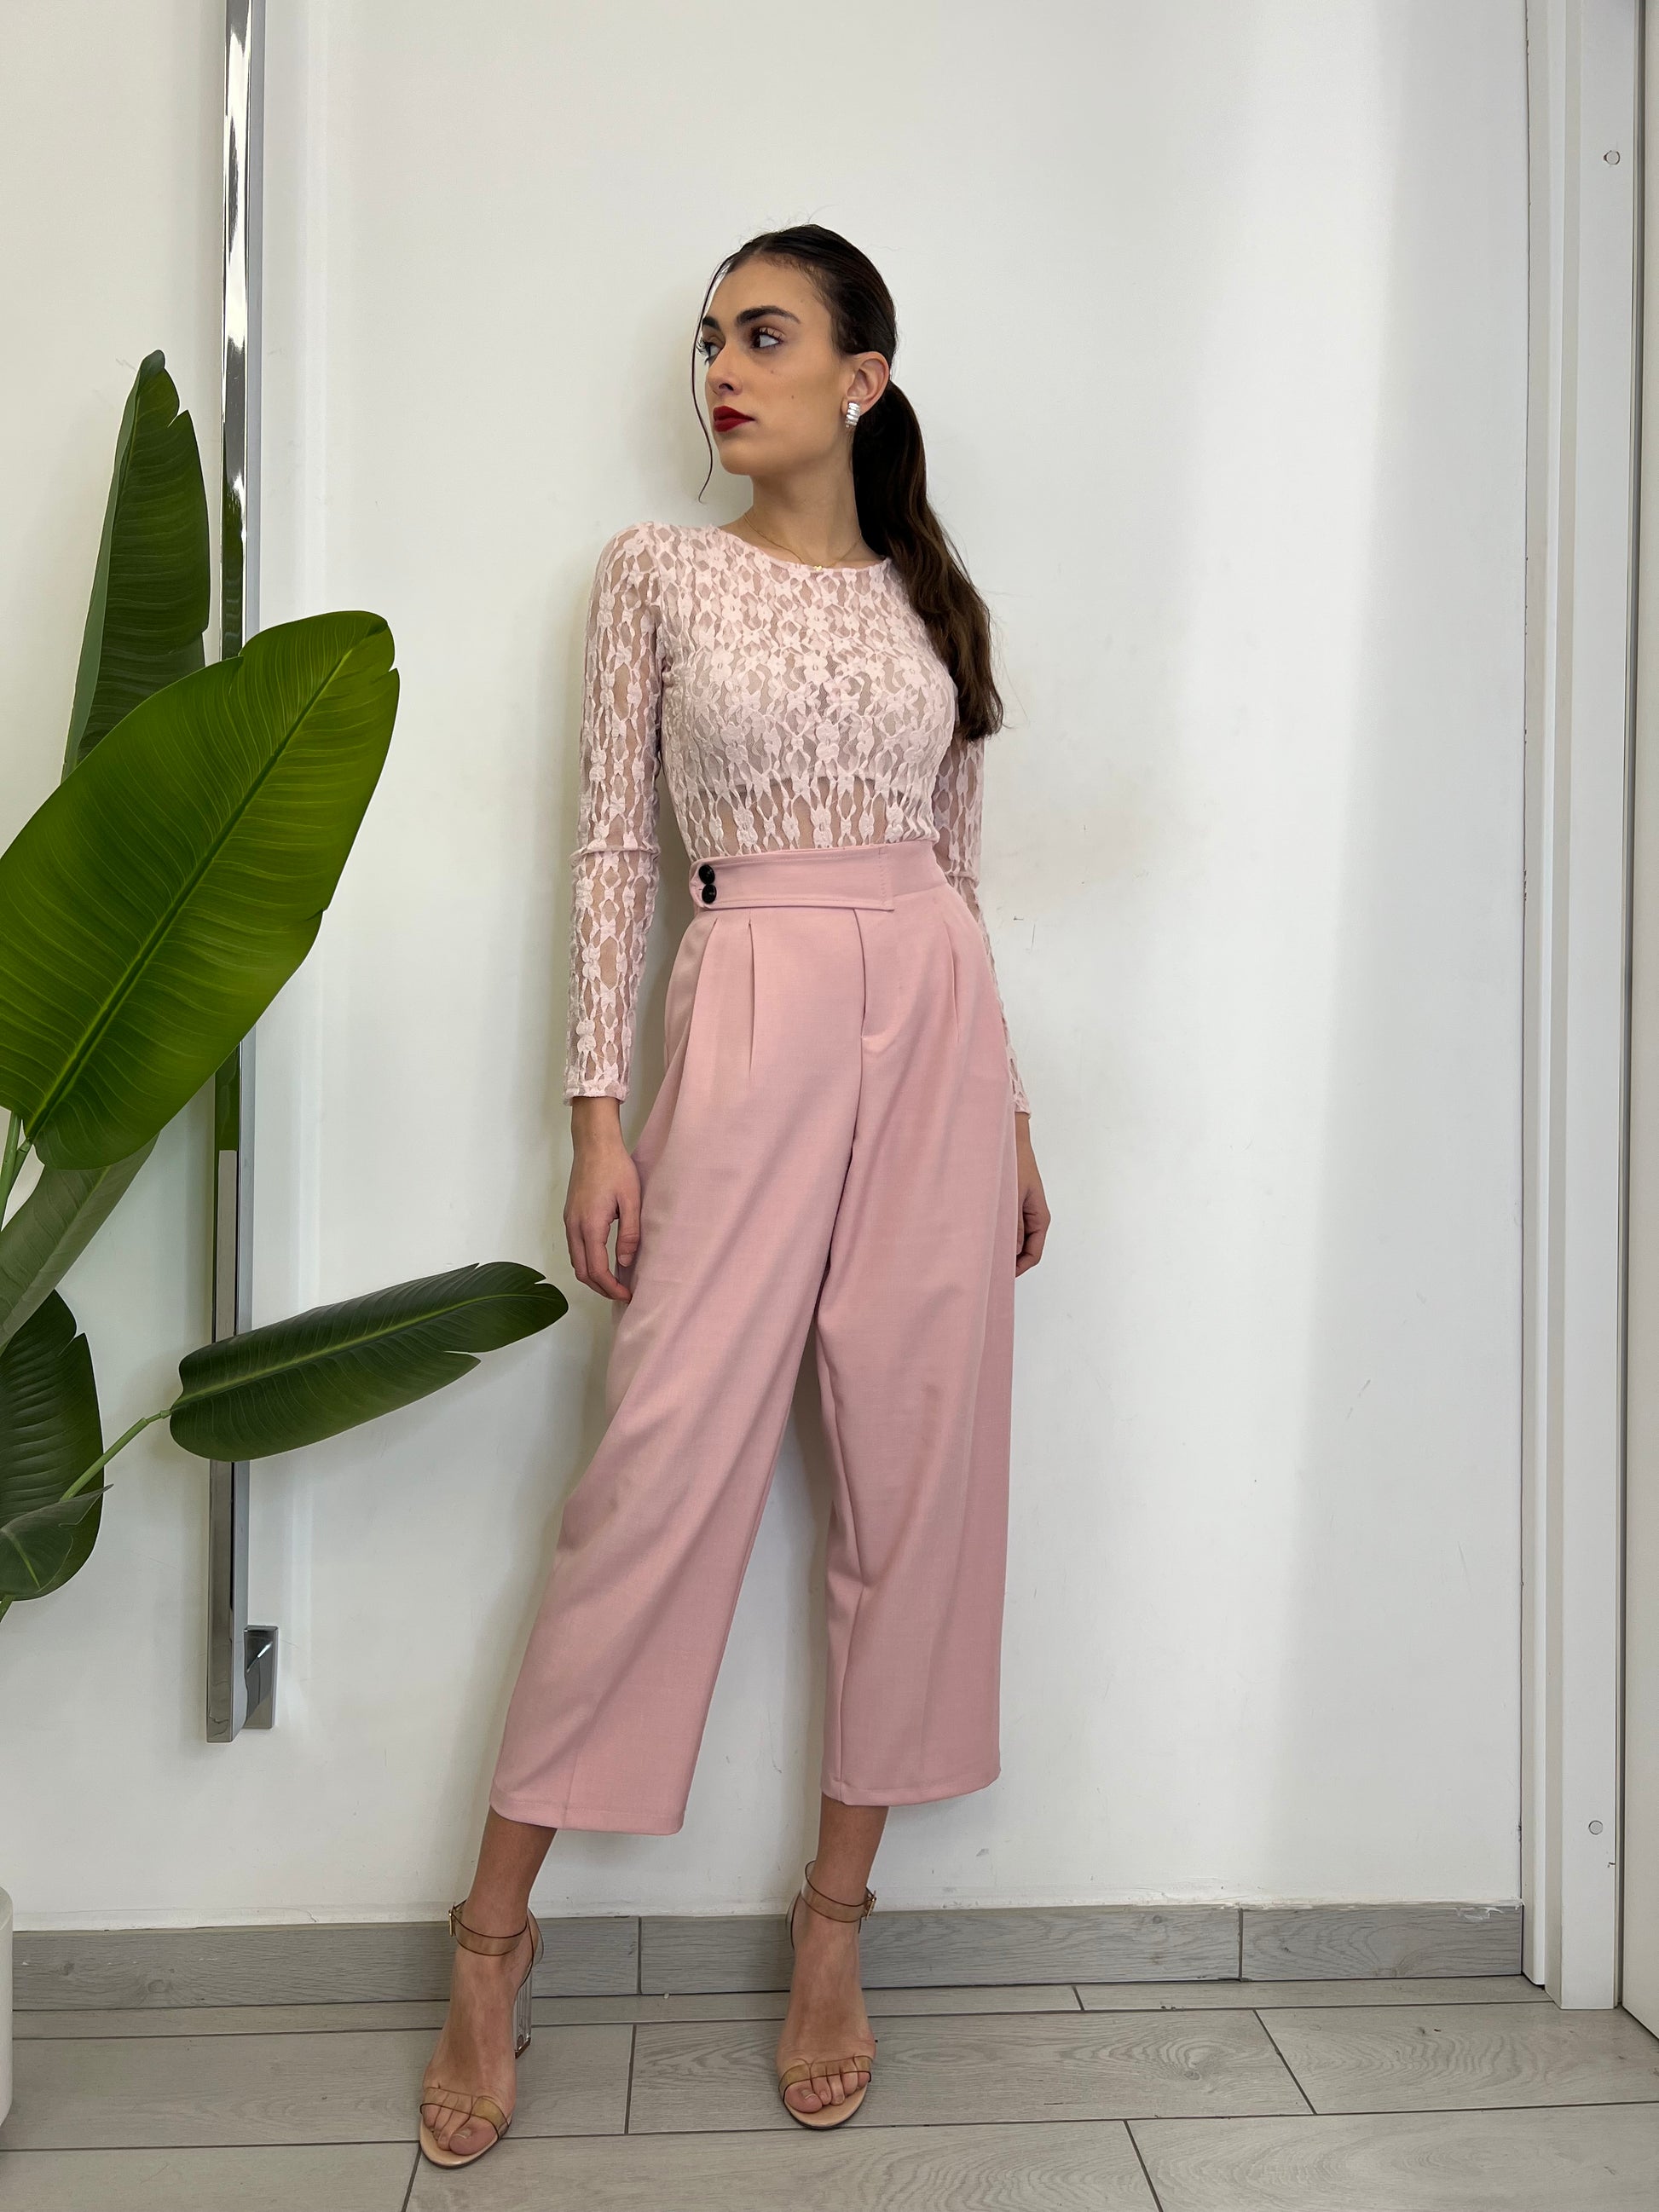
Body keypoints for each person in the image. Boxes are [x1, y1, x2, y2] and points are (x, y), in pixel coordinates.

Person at [417, 222, 1050, 2170]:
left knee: (920, 1472)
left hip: (932, 1018)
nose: (721, 369)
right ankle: (491, 1933)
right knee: (657, 1470)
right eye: (709, 338)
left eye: (763, 336)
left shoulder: (931, 599)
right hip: (753, 995)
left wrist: (1011, 1110)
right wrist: (595, 1117)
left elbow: (960, 867)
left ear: (862, 374)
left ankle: (833, 1923)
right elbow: (614, 843)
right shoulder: (656, 573)